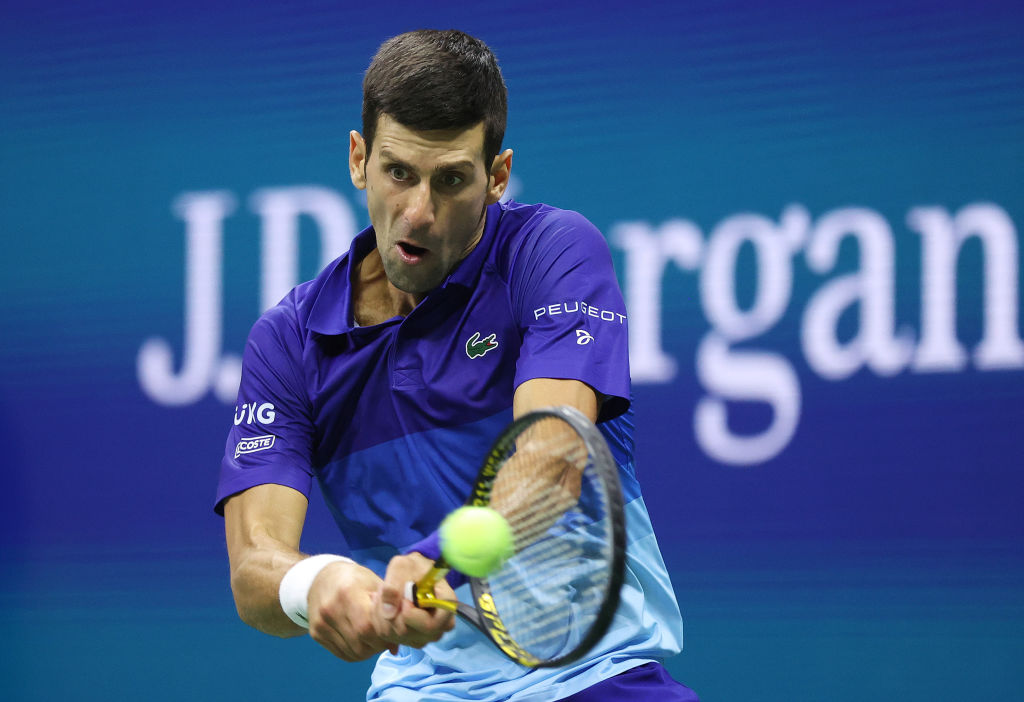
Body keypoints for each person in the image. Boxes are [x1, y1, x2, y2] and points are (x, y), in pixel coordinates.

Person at [217, 29, 698, 701]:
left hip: (591, 676)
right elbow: (254, 566)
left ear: (497, 177)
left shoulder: (550, 252)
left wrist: (434, 561)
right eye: (398, 173)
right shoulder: (288, 341)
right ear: (358, 159)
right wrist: (314, 582)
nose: (419, 213)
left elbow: (552, 458)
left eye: (450, 180)